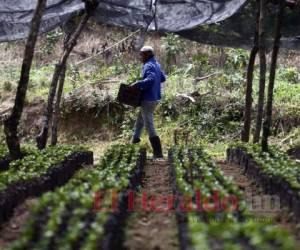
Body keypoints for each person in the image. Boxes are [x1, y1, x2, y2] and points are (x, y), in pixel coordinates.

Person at [131, 45, 166, 159]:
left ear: (147, 55)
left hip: (148, 99)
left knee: (149, 125)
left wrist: (138, 83)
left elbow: (150, 80)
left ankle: (158, 153)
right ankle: (134, 141)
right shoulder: (156, 64)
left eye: (141, 54)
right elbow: (163, 78)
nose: (140, 57)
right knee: (140, 121)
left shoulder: (148, 65)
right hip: (155, 97)